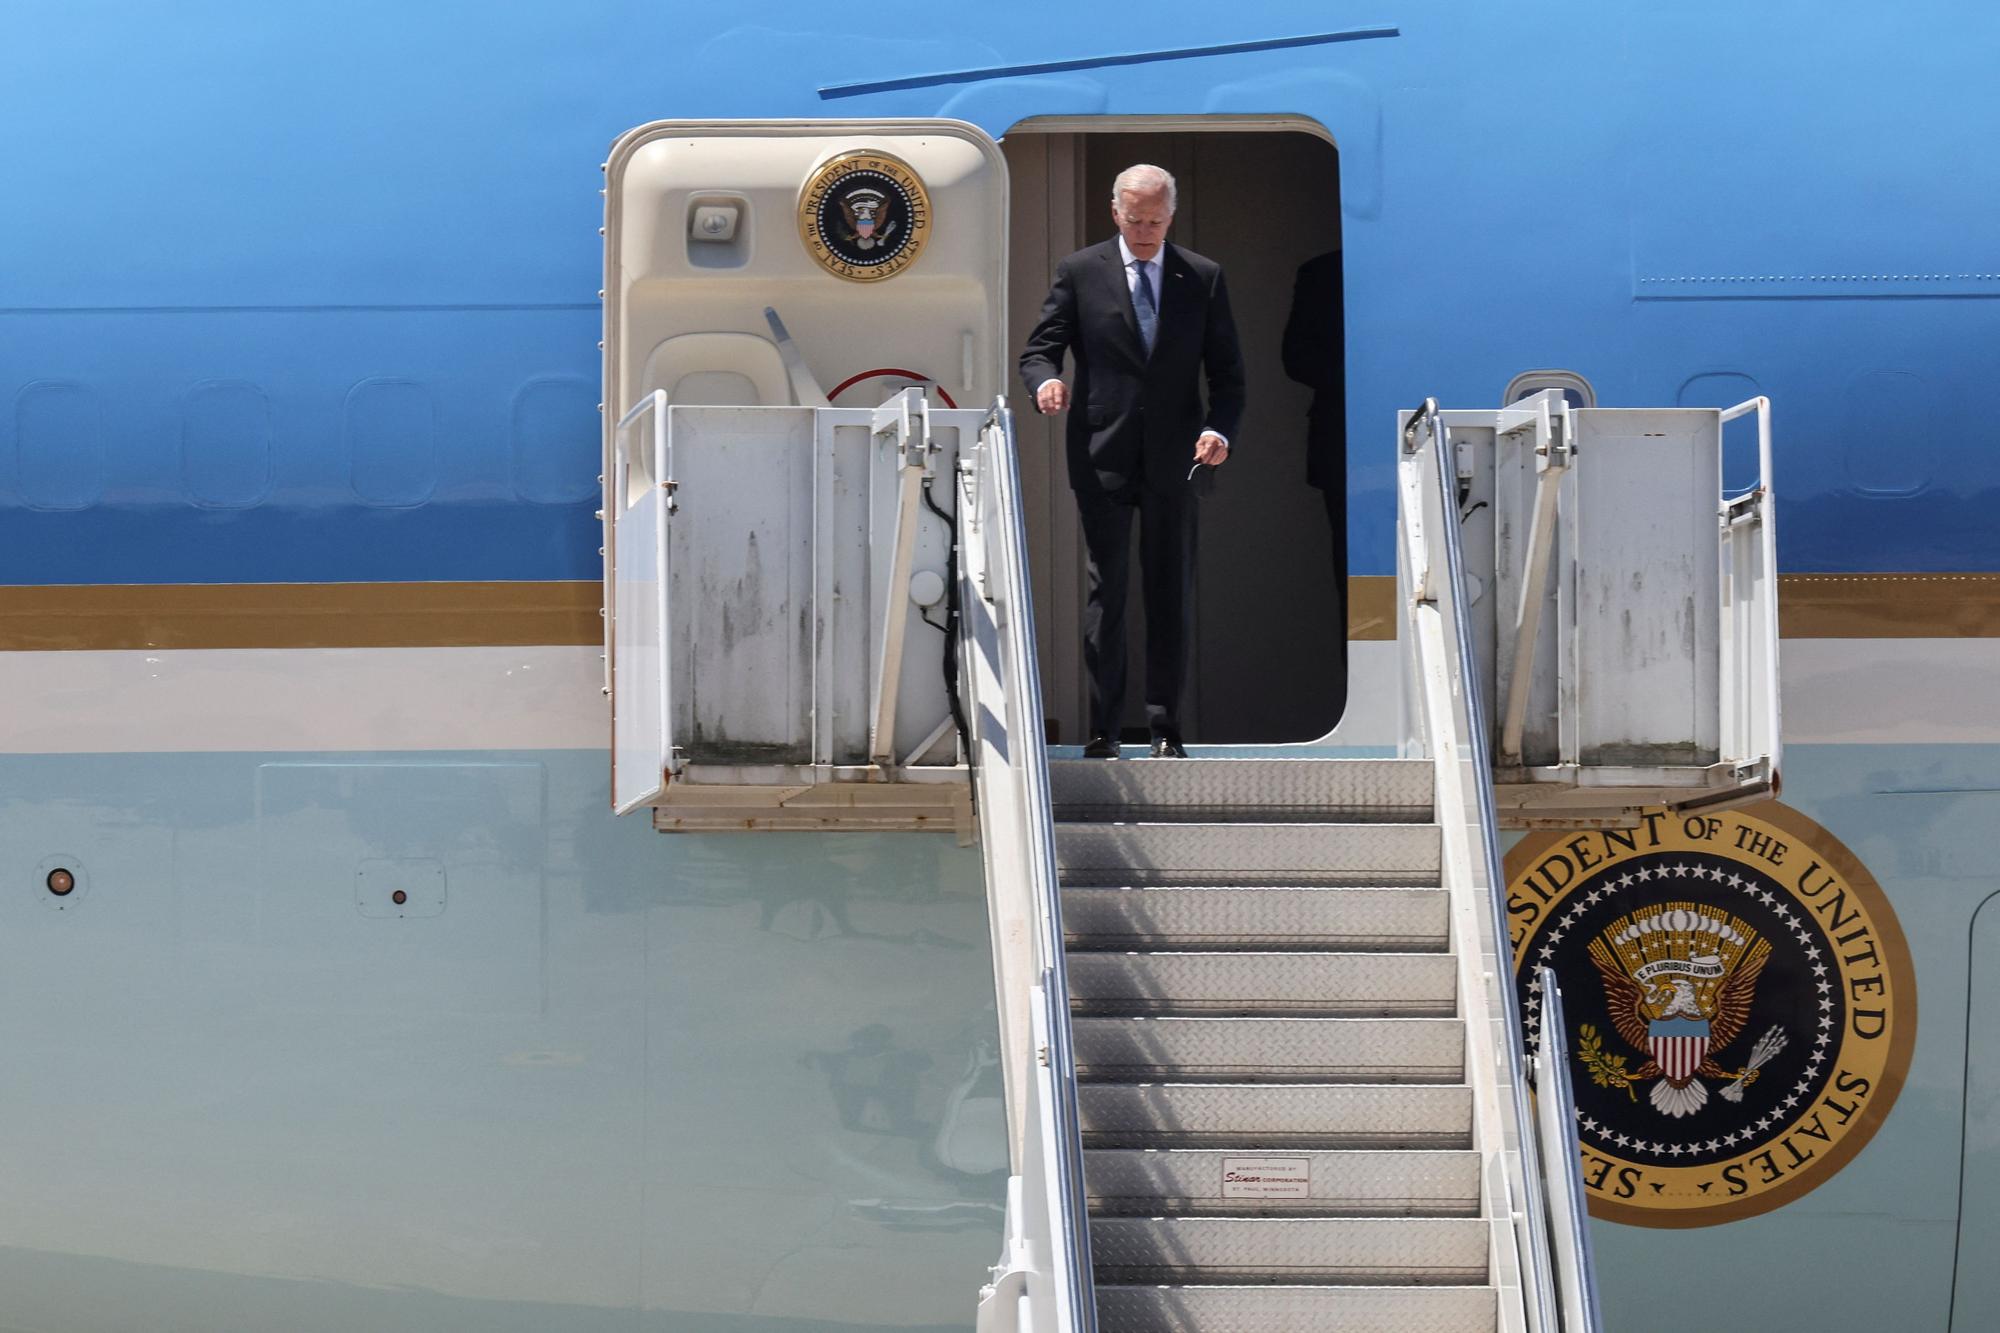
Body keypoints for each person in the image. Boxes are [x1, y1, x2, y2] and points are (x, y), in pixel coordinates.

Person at [1018, 164, 1245, 759]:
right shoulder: (1080, 271)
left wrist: (1219, 428)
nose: (1146, 230)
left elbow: (1228, 375)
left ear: (1171, 215)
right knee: (1107, 592)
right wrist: (1045, 383)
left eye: (1157, 220)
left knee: (1170, 592)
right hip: (1102, 454)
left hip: (1176, 460)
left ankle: (1167, 729)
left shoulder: (1202, 276)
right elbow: (1040, 350)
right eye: (1136, 219)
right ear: (1115, 212)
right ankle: (1105, 729)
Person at [1281, 248, 1348, 721]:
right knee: (1355, 582)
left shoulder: (1422, 262)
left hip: (1429, 442)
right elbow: (1296, 357)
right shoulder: (1321, 271)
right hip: (1343, 445)